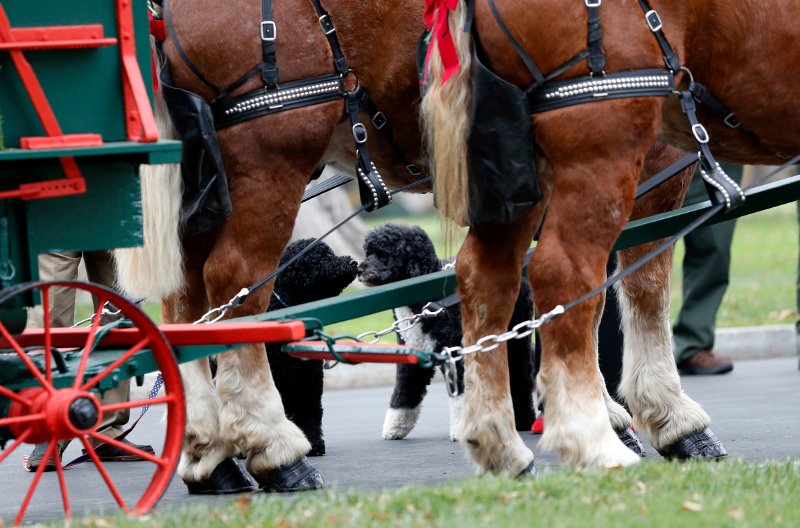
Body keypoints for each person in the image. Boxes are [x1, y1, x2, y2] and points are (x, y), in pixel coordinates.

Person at [24, 251, 154, 472]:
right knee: (51, 313)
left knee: (119, 315)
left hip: (112, 218)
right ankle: (51, 425)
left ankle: (107, 429)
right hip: (55, 217)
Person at [672, 162, 743, 375]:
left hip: (720, 143)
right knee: (642, 252)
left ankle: (693, 343)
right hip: (657, 143)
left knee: (714, 246)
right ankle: (617, 350)